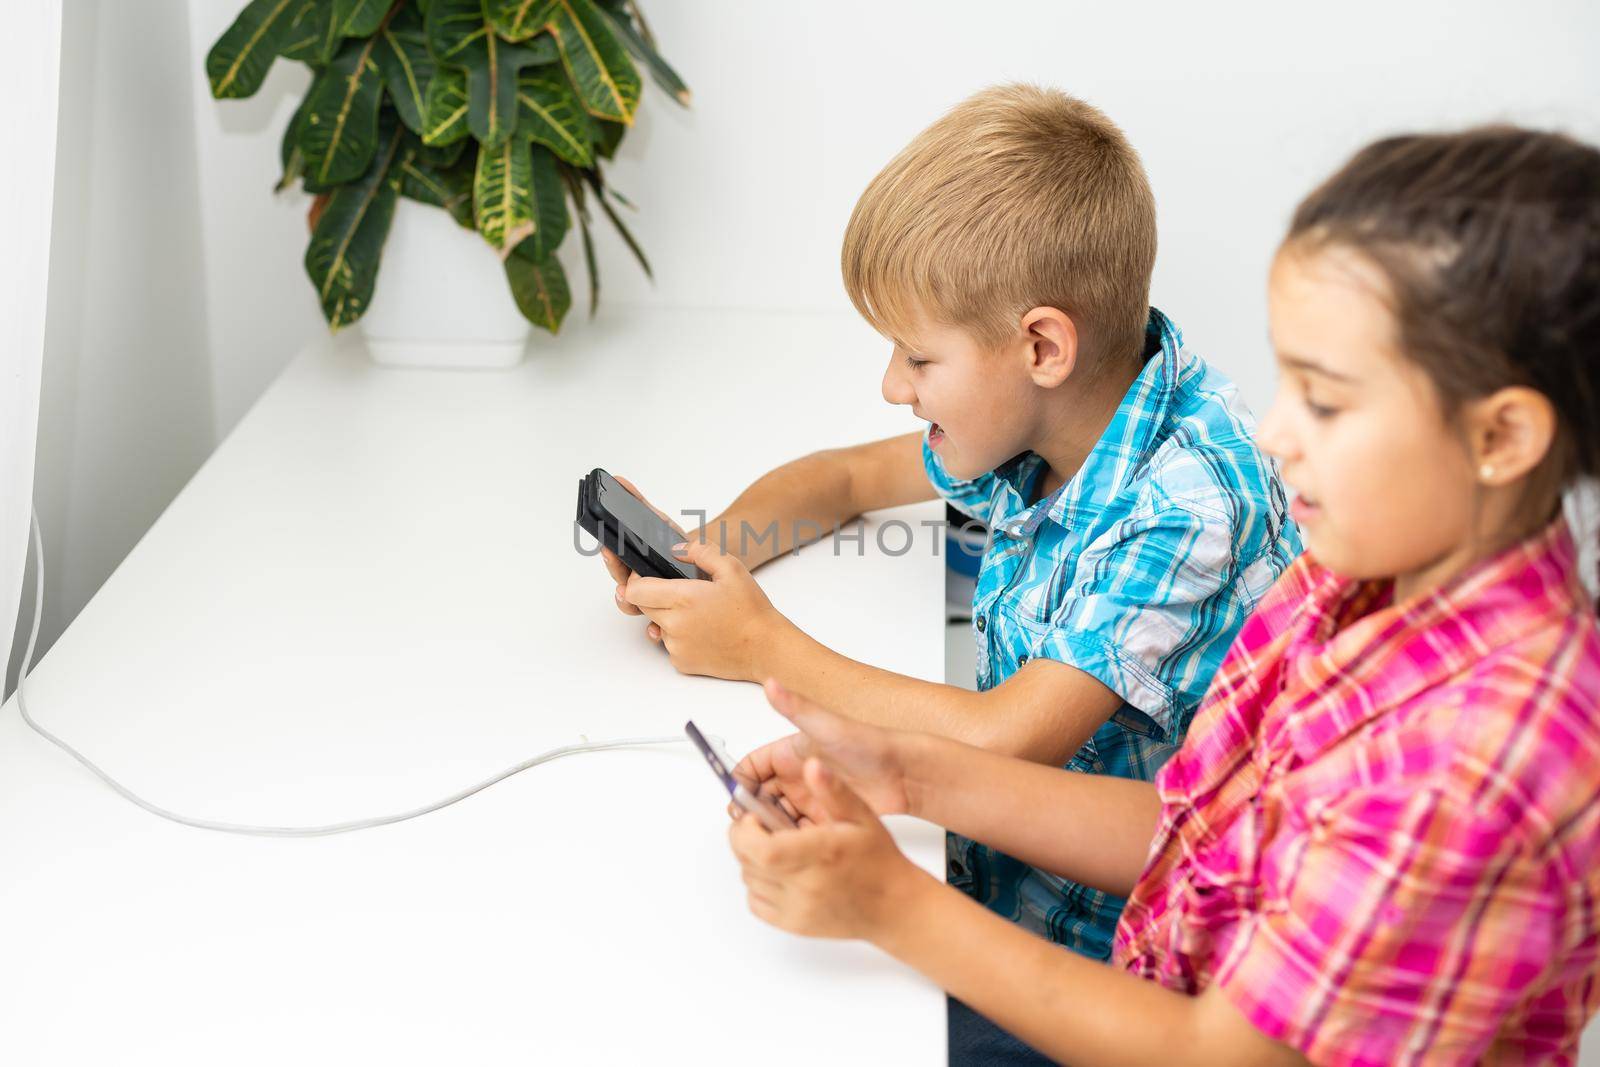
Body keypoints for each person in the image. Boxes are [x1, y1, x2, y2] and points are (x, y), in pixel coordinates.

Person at [728, 126, 1600, 1065]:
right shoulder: (1358, 579)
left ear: (1501, 437)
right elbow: (1203, 828)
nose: (1272, 433)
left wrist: (891, 906)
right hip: (1148, 974)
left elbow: (1218, 1053)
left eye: (1326, 400)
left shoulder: (1471, 766)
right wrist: (910, 775)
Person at [599, 86, 1295, 972]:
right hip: (1001, 877)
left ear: (1042, 348)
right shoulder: (1048, 411)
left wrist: (759, 645)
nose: (894, 383)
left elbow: (1006, 739)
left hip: (1105, 953)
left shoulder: (1188, 506)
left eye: (919, 356)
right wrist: (705, 564)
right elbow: (843, 479)